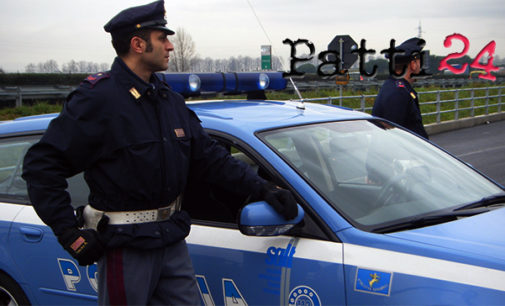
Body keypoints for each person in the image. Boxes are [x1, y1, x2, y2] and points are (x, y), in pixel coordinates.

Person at [21, 1, 297, 305]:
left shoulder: (168, 100)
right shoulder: (98, 101)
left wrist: (263, 188)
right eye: (162, 39)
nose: (170, 47)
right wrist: (68, 233)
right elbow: (41, 166)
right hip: (125, 248)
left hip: (171, 240)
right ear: (138, 44)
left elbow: (210, 158)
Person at [372, 37, 429, 139]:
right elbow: (392, 136)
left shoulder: (394, 87)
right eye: (419, 62)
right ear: (413, 64)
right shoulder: (399, 92)